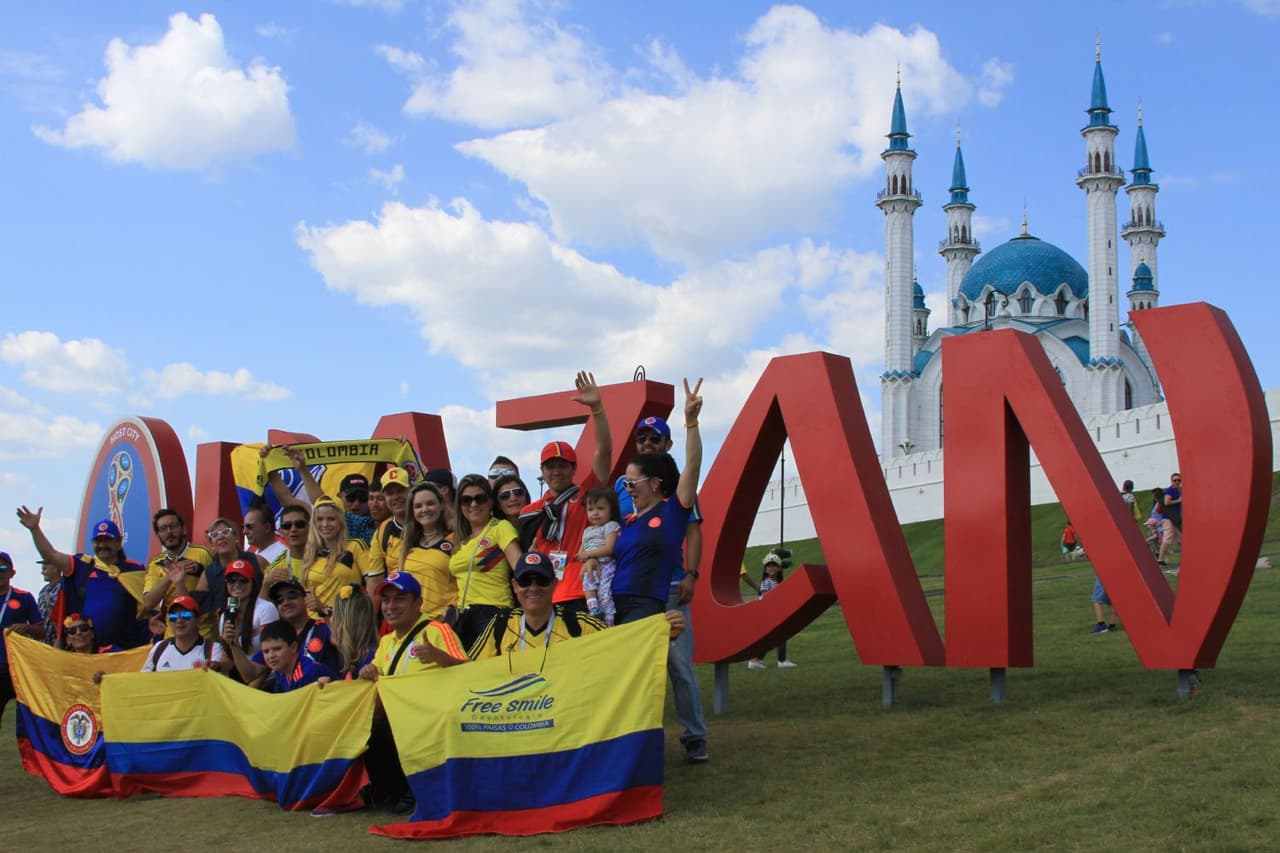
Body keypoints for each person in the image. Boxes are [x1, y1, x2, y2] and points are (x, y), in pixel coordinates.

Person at [613, 380, 707, 764]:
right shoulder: (631, 519)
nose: (628, 486)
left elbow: (693, 468)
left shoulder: (672, 510)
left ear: (654, 482)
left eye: (633, 482)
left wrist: (690, 423)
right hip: (621, 608)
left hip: (661, 599)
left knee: (679, 668)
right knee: (631, 679)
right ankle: (631, 748)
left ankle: (695, 737)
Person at [357, 572, 467, 817]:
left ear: (418, 603)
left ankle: (411, 793)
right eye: (386, 600)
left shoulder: (438, 630)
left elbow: (470, 672)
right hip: (399, 720)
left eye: (399, 599)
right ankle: (400, 792)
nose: (391, 606)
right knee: (365, 732)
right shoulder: (386, 641)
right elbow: (377, 681)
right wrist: (368, 671)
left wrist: (441, 657)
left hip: (433, 720)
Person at [466, 551, 685, 661]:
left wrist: (661, 633)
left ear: (553, 584)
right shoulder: (501, 625)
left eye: (541, 580)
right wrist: (439, 658)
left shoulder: (579, 625)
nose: (533, 588)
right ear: (515, 586)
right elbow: (468, 668)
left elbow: (622, 646)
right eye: (525, 581)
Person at [516, 372, 612, 615]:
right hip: (543, 594)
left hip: (579, 589)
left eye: (562, 465)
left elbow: (604, 452)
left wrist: (597, 409)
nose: (556, 471)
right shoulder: (530, 511)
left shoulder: (586, 496)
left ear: (574, 469)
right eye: (550, 466)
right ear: (542, 470)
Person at [16, 509, 147, 650]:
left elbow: (148, 606)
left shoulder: (134, 569)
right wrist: (35, 530)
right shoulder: (82, 565)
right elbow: (51, 555)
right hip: (86, 651)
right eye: (98, 541)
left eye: (107, 540)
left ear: (119, 542)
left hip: (126, 650)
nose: (102, 545)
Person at [450, 475, 521, 647]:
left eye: (479, 498)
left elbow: (520, 568)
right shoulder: (460, 540)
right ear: (460, 506)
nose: (473, 504)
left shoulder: (500, 528)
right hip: (462, 618)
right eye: (466, 500)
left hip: (493, 612)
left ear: (490, 502)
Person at [299, 496, 369, 617]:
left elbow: (373, 584)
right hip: (313, 625)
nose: (325, 524)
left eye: (331, 519)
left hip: (344, 622)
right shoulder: (311, 552)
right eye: (320, 519)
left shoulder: (356, 546)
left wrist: (368, 618)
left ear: (341, 521)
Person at [195, 517, 267, 630]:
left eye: (225, 532)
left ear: (236, 537)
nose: (221, 537)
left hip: (262, 621)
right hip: (229, 629)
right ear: (211, 545)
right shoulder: (208, 574)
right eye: (214, 535)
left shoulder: (257, 561)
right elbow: (196, 610)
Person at [399, 482, 458, 621]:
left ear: (441, 505)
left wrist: (453, 610)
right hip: (413, 624)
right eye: (418, 506)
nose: (424, 509)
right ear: (412, 511)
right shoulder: (406, 546)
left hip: (445, 624)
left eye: (430, 503)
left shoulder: (456, 541)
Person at [141, 509, 214, 617]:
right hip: (172, 629)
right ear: (158, 535)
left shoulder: (203, 553)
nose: (169, 532)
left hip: (204, 629)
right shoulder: (156, 564)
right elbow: (148, 604)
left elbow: (217, 589)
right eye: (163, 529)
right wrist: (169, 577)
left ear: (183, 529)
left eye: (173, 526)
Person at [0, 552, 43, 726]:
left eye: (3, 568)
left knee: (28, 722)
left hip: (17, 668)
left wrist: (26, 628)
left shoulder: (24, 597)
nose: (0, 572)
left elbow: (42, 631)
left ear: (12, 572)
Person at [142, 595, 224, 671]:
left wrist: (215, 667)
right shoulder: (159, 648)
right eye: (173, 617)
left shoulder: (213, 649)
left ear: (198, 620)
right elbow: (144, 681)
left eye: (186, 615)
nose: (179, 620)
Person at [219, 559, 277, 666]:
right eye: (232, 580)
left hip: (266, 674)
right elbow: (228, 661)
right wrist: (215, 665)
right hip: (240, 674)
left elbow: (272, 651)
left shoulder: (265, 608)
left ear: (253, 584)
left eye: (243, 580)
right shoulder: (225, 616)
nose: (237, 584)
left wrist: (252, 682)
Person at [578, 486, 621, 624]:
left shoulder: (611, 526)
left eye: (600, 509)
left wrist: (588, 555)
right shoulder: (587, 531)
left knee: (604, 592)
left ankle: (609, 620)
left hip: (606, 564)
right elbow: (580, 552)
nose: (595, 513)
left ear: (611, 510)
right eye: (591, 509)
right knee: (587, 584)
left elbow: (609, 548)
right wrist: (583, 557)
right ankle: (594, 609)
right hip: (591, 566)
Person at [747, 554, 797, 669]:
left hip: (773, 612)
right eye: (769, 566)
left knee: (770, 638)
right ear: (765, 569)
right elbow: (766, 596)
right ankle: (782, 660)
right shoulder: (766, 582)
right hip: (766, 613)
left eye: (774, 566)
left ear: (779, 568)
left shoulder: (779, 583)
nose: (771, 568)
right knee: (780, 635)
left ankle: (755, 660)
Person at [258, 620, 337, 693]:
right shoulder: (280, 671)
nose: (271, 656)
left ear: (293, 647)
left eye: (277, 649)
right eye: (266, 651)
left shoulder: (308, 673)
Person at [367, 467, 412, 586]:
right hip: (400, 601)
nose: (395, 497)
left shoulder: (429, 522)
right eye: (390, 493)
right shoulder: (382, 531)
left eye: (400, 490)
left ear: (411, 491)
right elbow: (374, 580)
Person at [329, 585, 379, 679]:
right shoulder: (342, 655)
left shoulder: (371, 659)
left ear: (350, 624)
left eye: (335, 615)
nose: (331, 620)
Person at [264, 504, 311, 588]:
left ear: (310, 528)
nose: (293, 529)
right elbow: (262, 600)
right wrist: (266, 584)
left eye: (299, 524)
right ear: (281, 532)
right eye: (287, 526)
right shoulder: (274, 570)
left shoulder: (329, 557)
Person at [1158, 472, 1183, 568]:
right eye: (1175, 480)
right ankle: (1160, 560)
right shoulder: (1170, 490)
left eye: (1179, 480)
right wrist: (1179, 500)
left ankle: (1186, 558)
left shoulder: (1178, 490)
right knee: (1167, 538)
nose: (1177, 482)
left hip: (1175, 518)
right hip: (1168, 518)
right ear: (1171, 481)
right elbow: (1166, 502)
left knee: (1181, 538)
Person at [36, 559, 60, 645]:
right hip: (44, 643)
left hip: (59, 642)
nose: (42, 572)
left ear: (56, 568)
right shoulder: (43, 591)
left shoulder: (64, 588)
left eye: (45, 569)